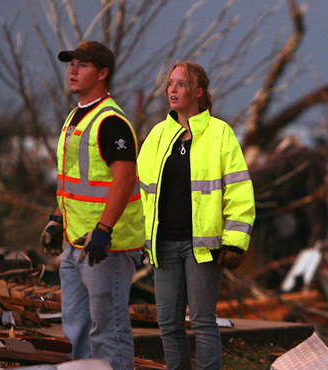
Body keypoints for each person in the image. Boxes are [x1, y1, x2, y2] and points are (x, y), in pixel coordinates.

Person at [137, 61, 255, 370]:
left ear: (198, 93)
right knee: (169, 325)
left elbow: (239, 191)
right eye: (170, 83)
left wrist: (235, 243)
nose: (172, 90)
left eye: (180, 84)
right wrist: (135, 238)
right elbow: (140, 194)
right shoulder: (158, 136)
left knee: (203, 322)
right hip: (163, 246)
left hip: (202, 247)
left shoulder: (220, 134)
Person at [39, 41, 145, 370]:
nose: (73, 70)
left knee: (108, 330)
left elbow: (125, 179)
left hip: (104, 247)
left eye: (82, 65)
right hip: (76, 243)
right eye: (71, 64)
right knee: (77, 329)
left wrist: (104, 230)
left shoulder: (110, 122)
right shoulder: (75, 118)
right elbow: (72, 180)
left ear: (102, 73)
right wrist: (57, 219)